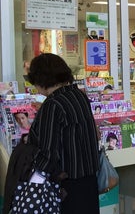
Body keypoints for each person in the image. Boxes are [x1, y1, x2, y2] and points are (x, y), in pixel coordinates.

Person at [26, 53, 100, 213]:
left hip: (66, 187)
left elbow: (48, 153)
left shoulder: (52, 105)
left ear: (41, 79)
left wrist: (32, 181)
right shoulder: (78, 95)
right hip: (89, 180)